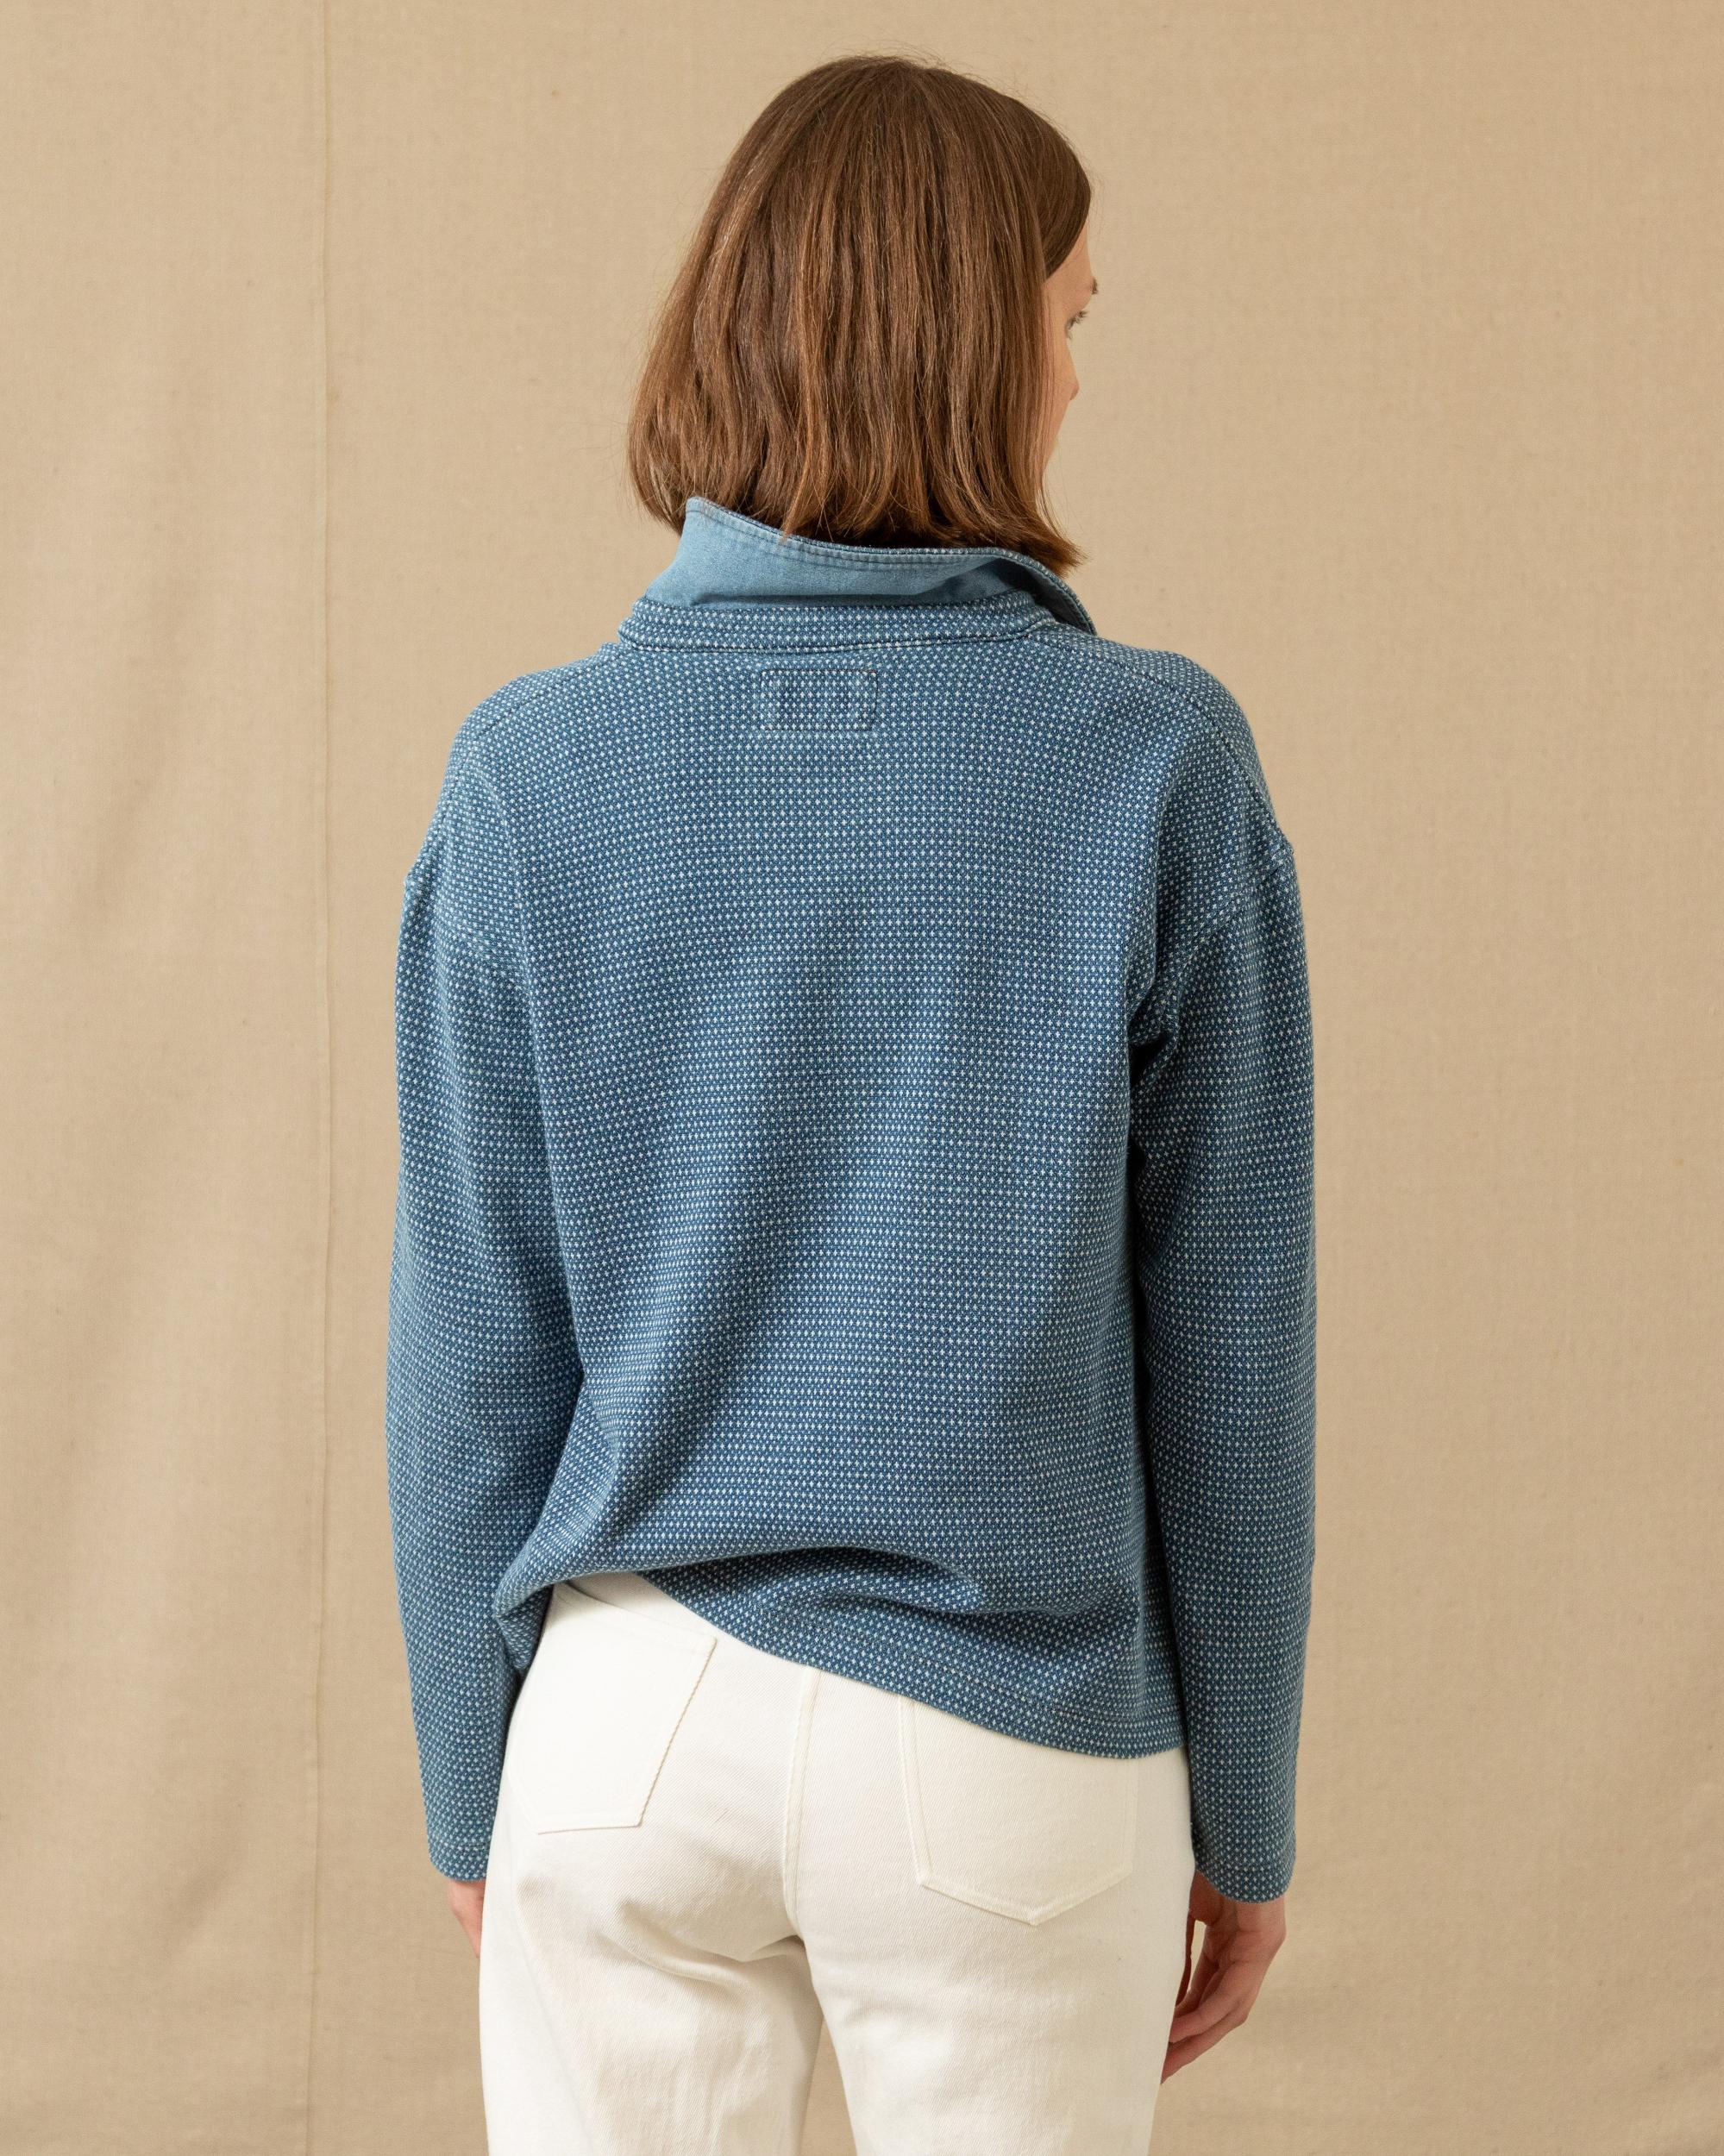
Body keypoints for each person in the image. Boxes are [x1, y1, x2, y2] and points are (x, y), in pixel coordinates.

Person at [386, 51, 1316, 2156]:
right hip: (1004, 1734)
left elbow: (469, 1339)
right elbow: (1228, 1342)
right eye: (1070, 318)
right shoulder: (1149, 759)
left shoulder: (528, 772)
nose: (1074, 375)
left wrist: (472, 1780)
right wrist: (1246, 1813)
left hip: (618, 1731)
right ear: (975, 345)